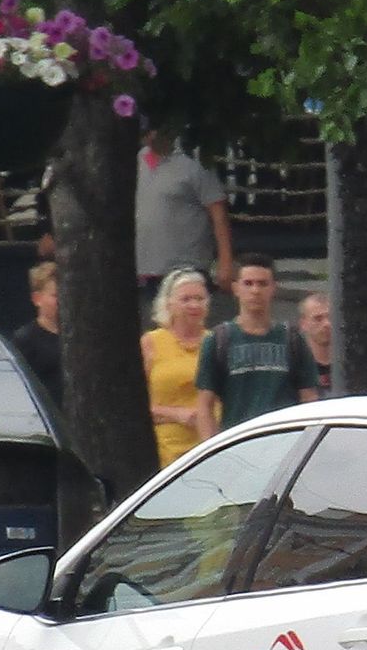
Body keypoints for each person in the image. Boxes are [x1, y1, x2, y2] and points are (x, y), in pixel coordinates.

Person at [194, 255, 318, 438]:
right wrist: (212, 450)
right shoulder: (218, 340)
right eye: (248, 283)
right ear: (236, 288)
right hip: (237, 444)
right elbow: (205, 404)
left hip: (285, 443)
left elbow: (309, 398)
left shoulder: (292, 338)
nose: (255, 290)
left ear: (273, 288)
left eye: (262, 284)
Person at [135, 125, 235, 314]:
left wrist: (225, 261)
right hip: (143, 271)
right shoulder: (135, 162)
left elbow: (218, 212)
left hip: (186, 270)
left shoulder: (195, 160)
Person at [141, 268, 212, 466]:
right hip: (167, 451)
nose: (194, 305)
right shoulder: (151, 342)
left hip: (211, 444)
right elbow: (135, 406)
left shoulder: (215, 341)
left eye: (200, 299)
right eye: (186, 299)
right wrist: (178, 414)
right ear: (168, 304)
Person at [9, 260, 61, 406]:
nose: (61, 301)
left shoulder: (77, 338)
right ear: (37, 299)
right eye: (55, 295)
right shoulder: (25, 339)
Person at [298, 291, 333, 395]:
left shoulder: (349, 364)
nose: (327, 323)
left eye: (331, 317)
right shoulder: (297, 366)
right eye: (318, 319)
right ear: (303, 324)